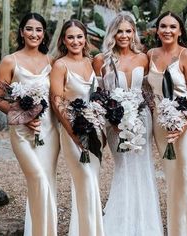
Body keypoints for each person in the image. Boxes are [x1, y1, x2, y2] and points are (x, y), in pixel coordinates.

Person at [93, 12, 163, 236]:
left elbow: (150, 91)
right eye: (119, 31)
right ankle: (119, 225)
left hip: (142, 120)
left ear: (134, 33)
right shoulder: (101, 60)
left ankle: (145, 226)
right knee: (124, 168)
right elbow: (98, 94)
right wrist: (109, 121)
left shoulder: (144, 57)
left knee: (142, 168)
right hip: (115, 124)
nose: (124, 35)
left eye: (128, 31)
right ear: (113, 33)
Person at [0, 13, 60, 236]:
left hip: (49, 131)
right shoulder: (10, 61)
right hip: (22, 132)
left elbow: (58, 97)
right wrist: (23, 115)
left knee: (47, 181)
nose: (34, 34)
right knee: (38, 178)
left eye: (38, 30)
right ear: (22, 32)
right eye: (29, 29)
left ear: (44, 34)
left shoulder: (51, 62)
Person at [147, 11, 187, 236]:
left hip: (185, 123)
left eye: (172, 26)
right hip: (161, 126)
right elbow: (146, 87)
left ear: (180, 30)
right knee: (171, 177)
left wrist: (182, 124)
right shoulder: (150, 53)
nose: (167, 30)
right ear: (157, 30)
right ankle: (176, 230)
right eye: (163, 26)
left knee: (185, 175)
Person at [50, 19, 105, 236]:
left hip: (95, 132)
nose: (75, 41)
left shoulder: (91, 63)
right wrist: (74, 134)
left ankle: (82, 230)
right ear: (64, 39)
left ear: (85, 39)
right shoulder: (60, 65)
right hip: (73, 132)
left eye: (79, 36)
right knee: (86, 182)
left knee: (91, 184)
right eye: (70, 37)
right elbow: (57, 102)